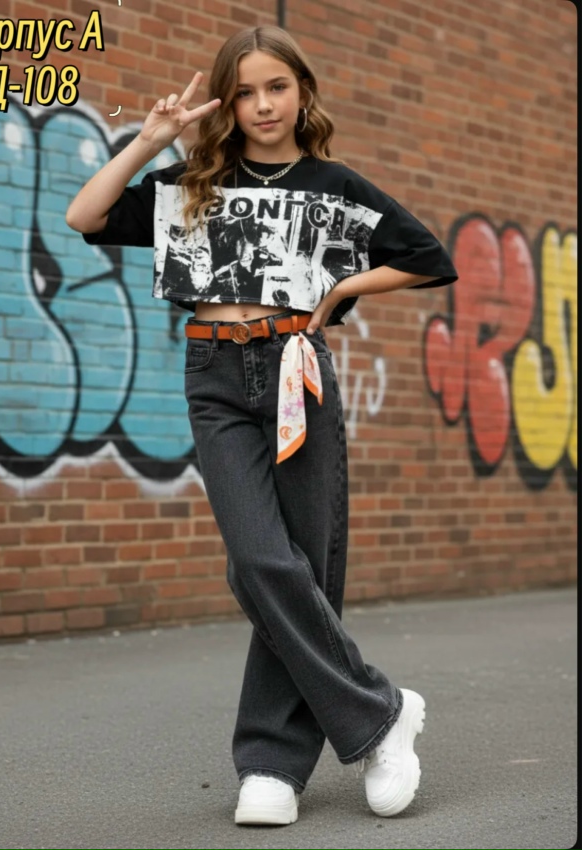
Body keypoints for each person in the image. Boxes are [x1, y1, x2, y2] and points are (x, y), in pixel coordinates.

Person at [66, 24, 458, 826]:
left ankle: (272, 765)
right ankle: (381, 711)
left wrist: (340, 291)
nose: (262, 104)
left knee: (300, 564)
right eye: (243, 92)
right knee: (259, 561)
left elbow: (427, 257)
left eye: (276, 87)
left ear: (302, 91)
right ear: (227, 103)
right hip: (214, 376)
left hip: (293, 370)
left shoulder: (332, 185)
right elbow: (85, 214)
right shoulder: (195, 182)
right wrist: (150, 141)